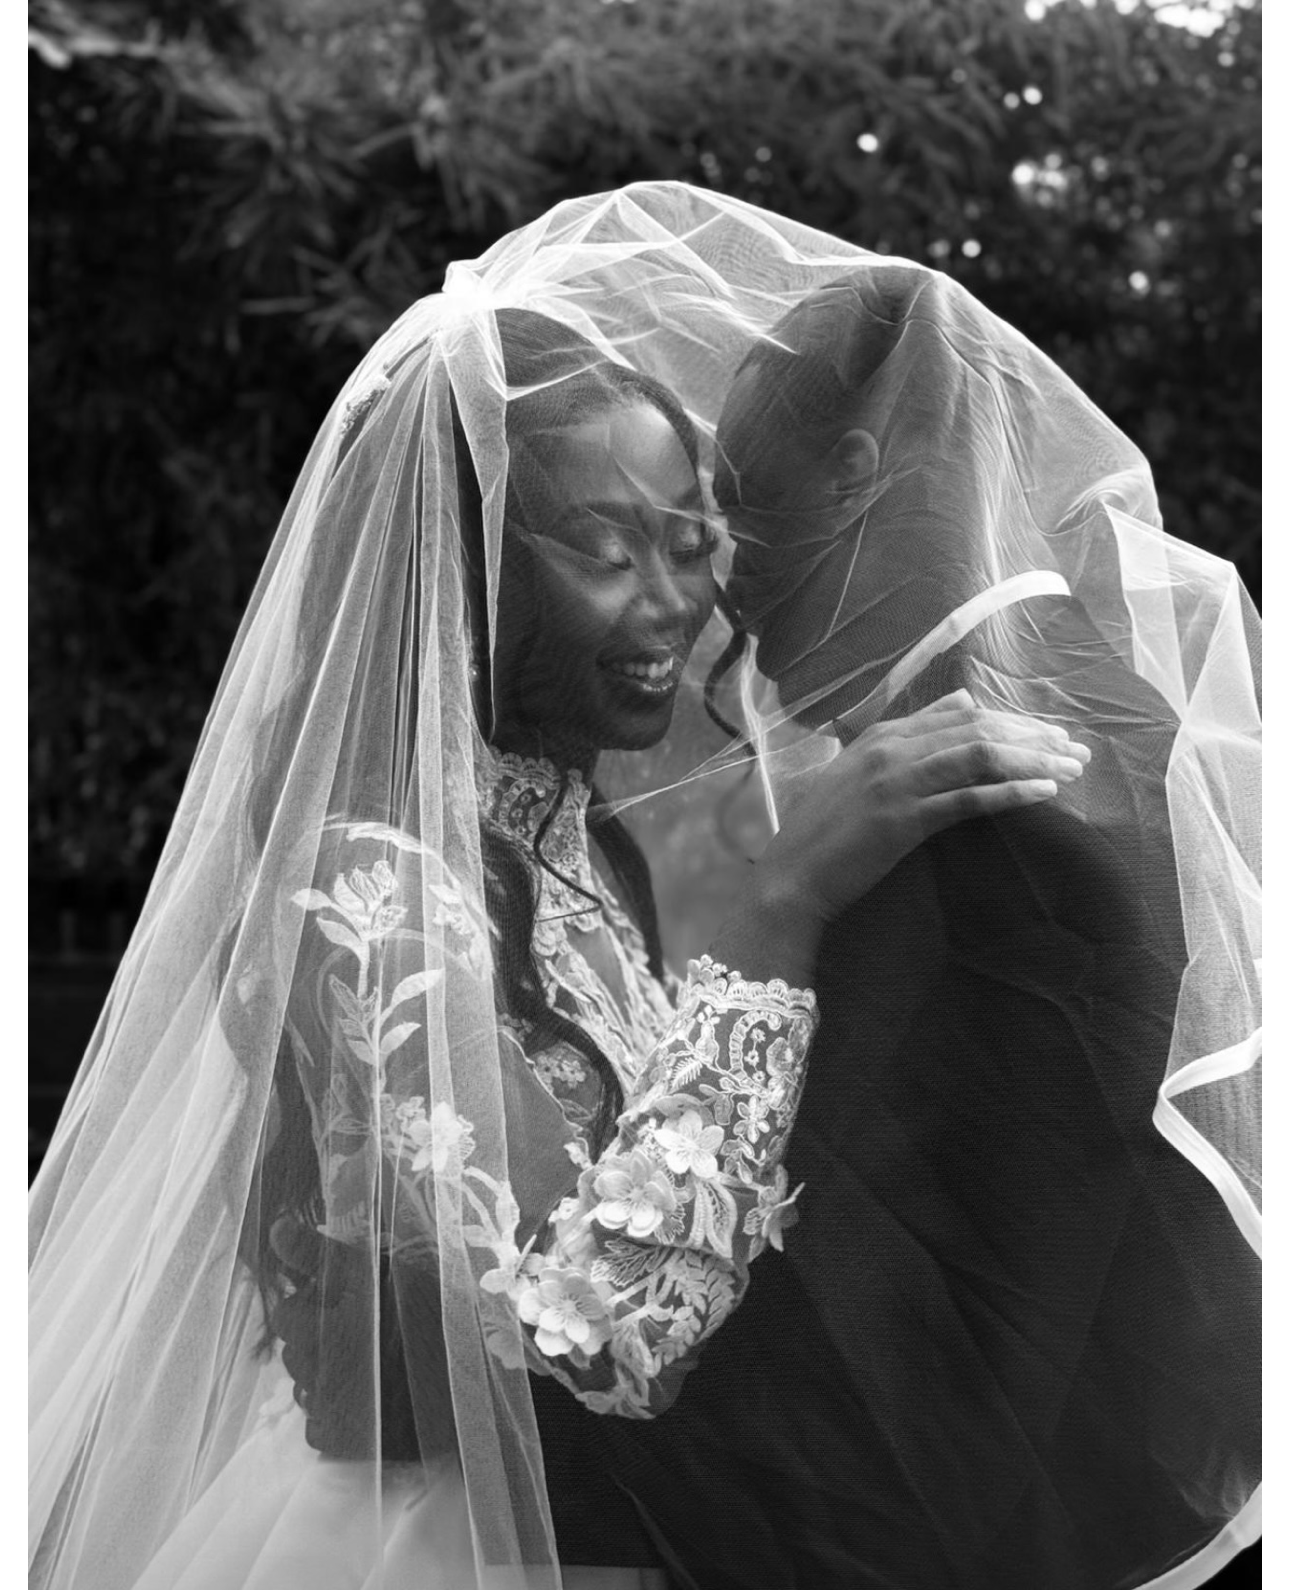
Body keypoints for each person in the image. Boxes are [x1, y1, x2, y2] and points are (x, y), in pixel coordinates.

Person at [28, 191, 1086, 1589]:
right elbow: (590, 1336)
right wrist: (777, 915)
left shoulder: (570, 848)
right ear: (461, 568)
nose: (673, 602)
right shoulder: (362, 890)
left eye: (686, 538)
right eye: (601, 550)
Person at [585, 265, 1262, 1589]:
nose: (729, 591)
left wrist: (556, 1472)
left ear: (852, 470)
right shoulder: (1086, 695)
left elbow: (914, 1384)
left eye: (737, 507)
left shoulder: (989, 803)